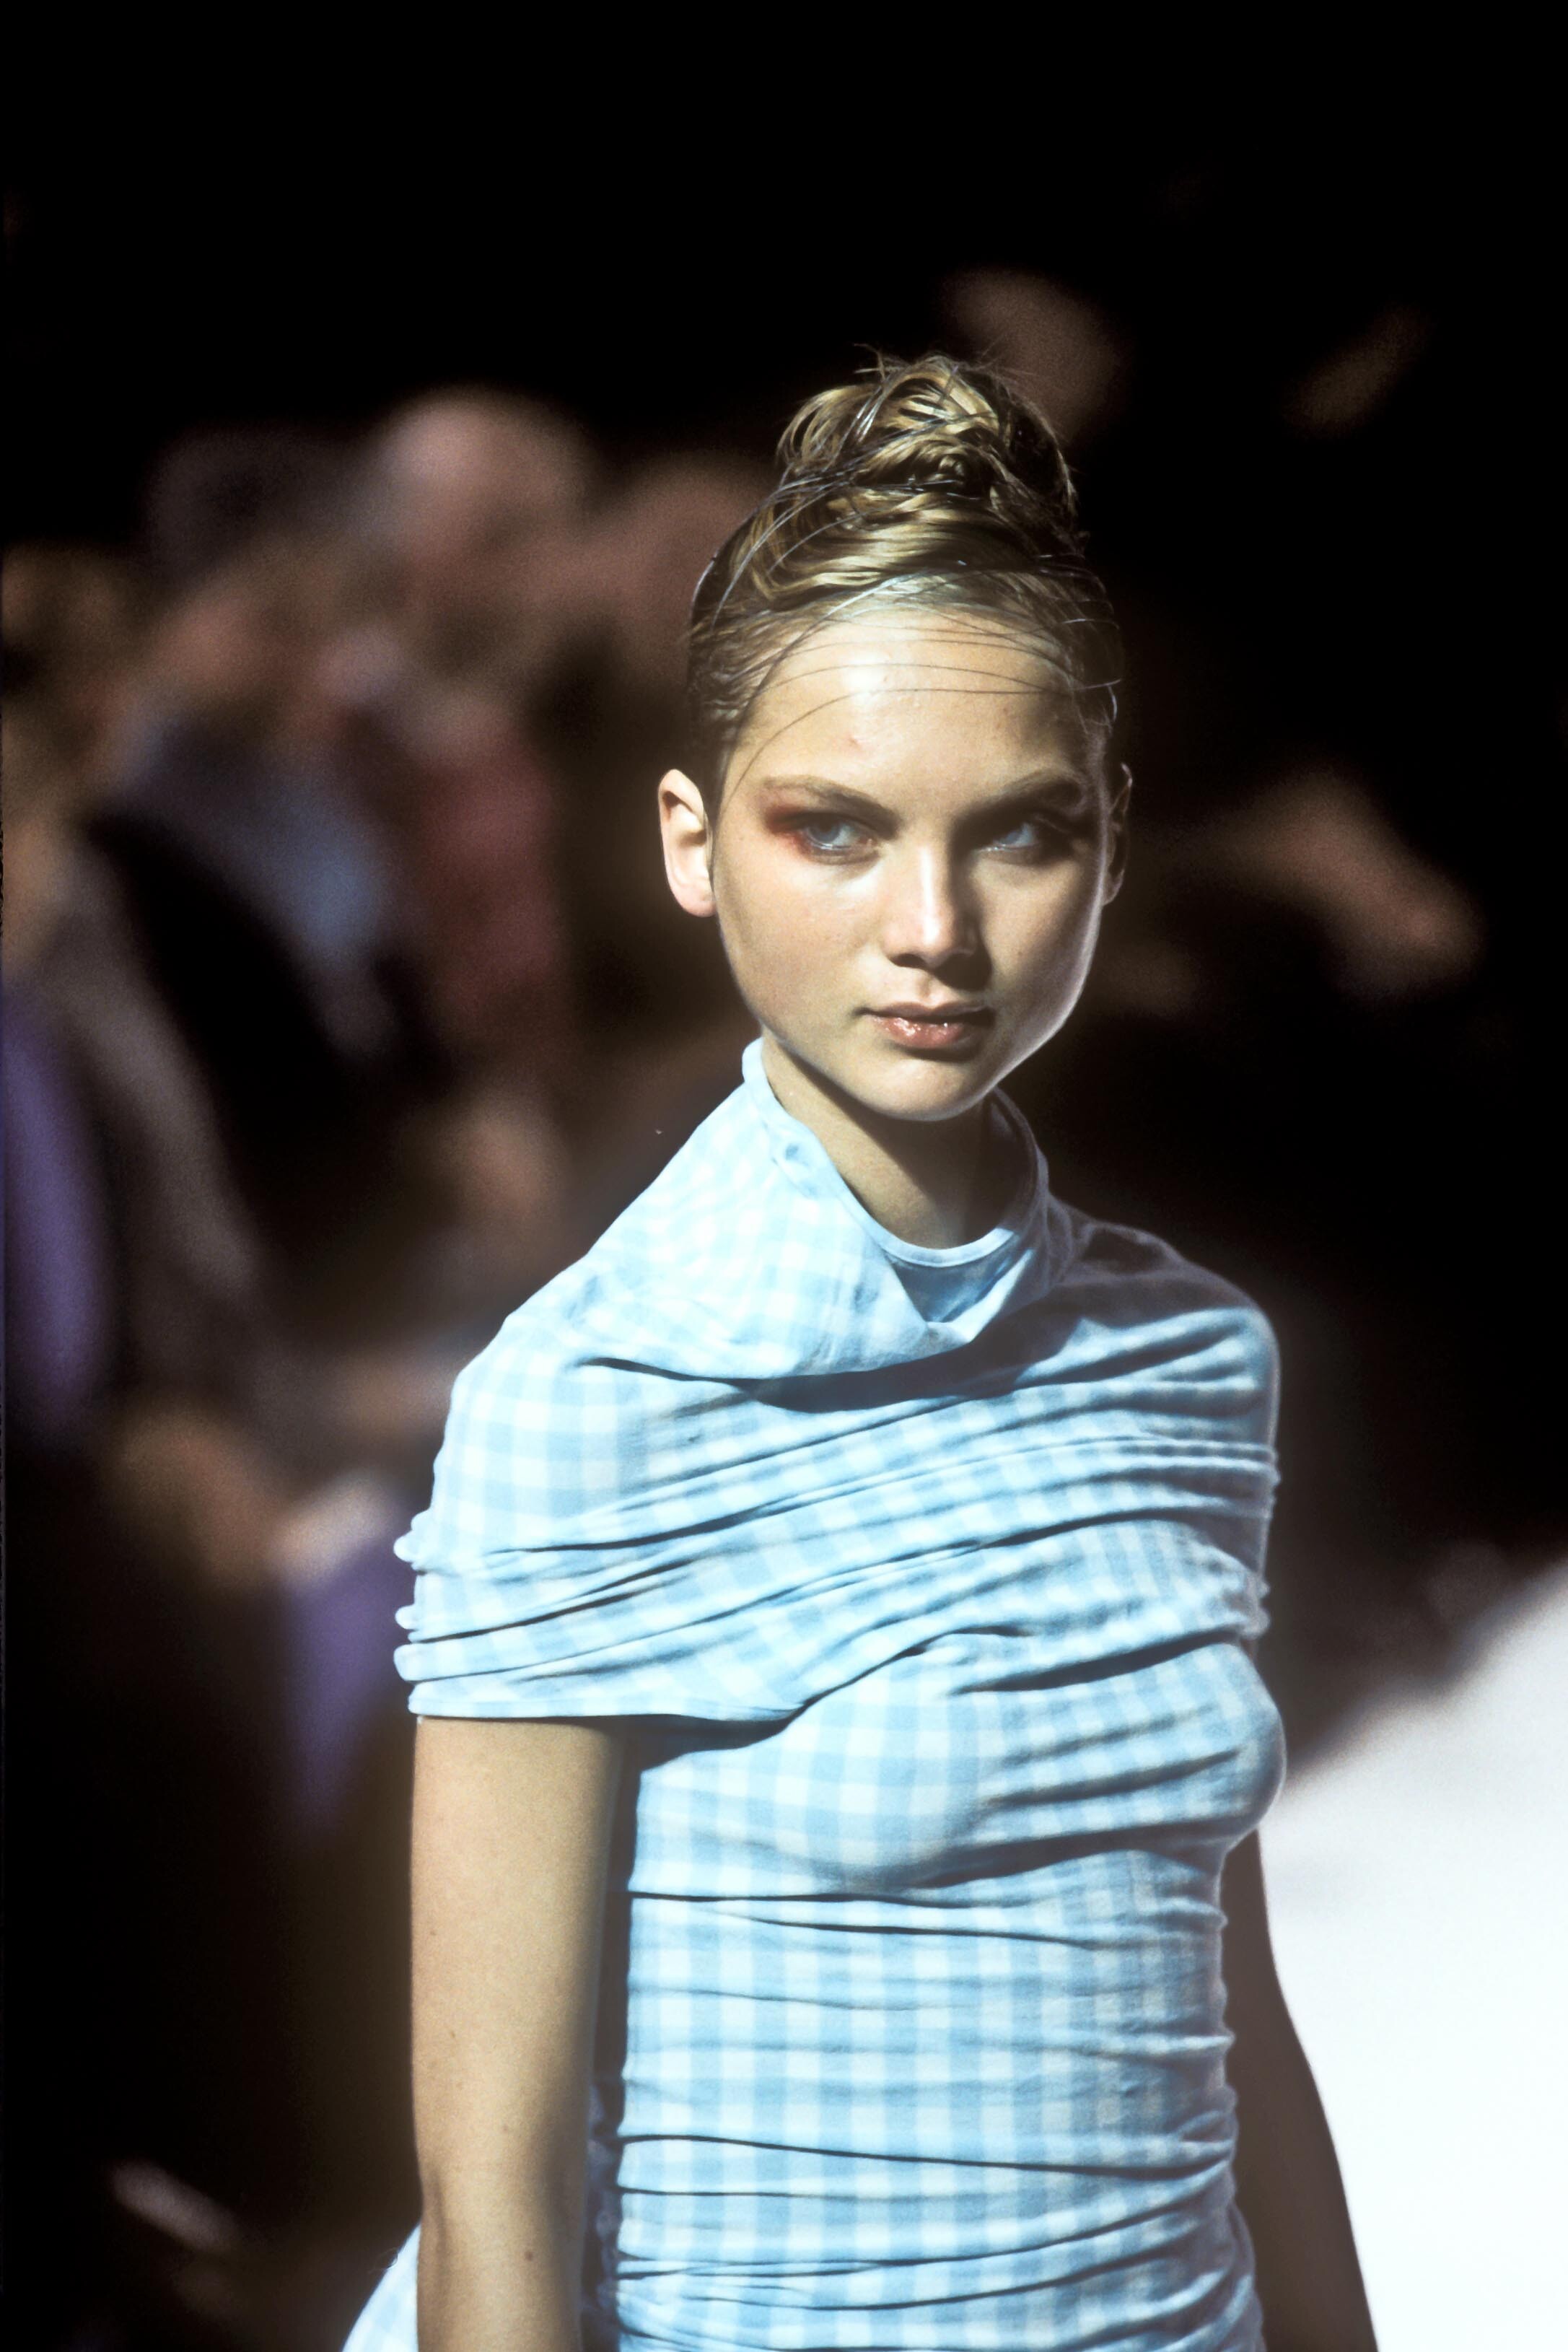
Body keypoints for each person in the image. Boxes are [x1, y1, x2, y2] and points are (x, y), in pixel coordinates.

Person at [346, 357, 1377, 2352]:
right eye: (833, 829)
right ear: (690, 840)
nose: (935, 926)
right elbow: (496, 2186)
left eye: (1020, 832)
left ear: (1113, 841)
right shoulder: (598, 1404)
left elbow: (1222, 2019)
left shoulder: (1193, 1358)